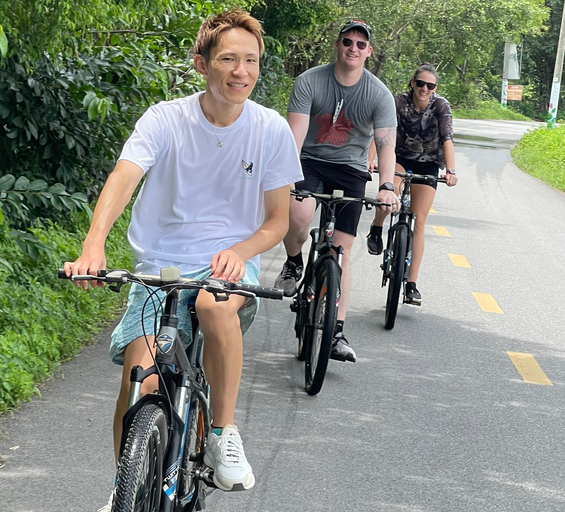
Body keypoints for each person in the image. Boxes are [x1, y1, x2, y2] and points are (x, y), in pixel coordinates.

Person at [63, 9, 302, 511]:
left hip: (229, 264)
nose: (242, 71)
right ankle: (124, 487)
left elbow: (277, 221)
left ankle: (221, 431)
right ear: (202, 64)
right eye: (229, 59)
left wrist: (239, 252)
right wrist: (93, 244)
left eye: (251, 61)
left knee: (216, 307)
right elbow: (125, 176)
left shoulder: (270, 129)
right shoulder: (165, 118)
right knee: (141, 374)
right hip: (162, 263)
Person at [274, 19, 400, 363]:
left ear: (368, 51)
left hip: (352, 170)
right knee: (298, 213)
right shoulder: (309, 81)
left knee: (341, 253)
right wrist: (285, 176)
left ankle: (337, 332)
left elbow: (386, 145)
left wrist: (387, 185)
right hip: (310, 160)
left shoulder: (378, 94)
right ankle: (293, 262)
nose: (354, 49)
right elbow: (295, 136)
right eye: (348, 42)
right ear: (338, 44)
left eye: (361, 44)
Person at [365, 63, 458, 305]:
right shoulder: (398, 102)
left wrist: (451, 170)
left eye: (430, 85)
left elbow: (447, 138)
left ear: (435, 88)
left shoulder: (441, 106)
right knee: (390, 193)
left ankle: (412, 284)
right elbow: (382, 133)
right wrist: (370, 160)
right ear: (412, 83)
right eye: (420, 83)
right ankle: (376, 228)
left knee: (420, 219)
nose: (424, 89)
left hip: (428, 163)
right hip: (398, 158)